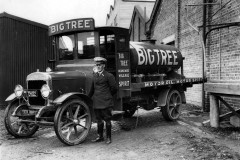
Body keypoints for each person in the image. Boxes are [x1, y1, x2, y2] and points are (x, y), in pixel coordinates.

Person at [91, 57, 117, 144]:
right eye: (97, 65)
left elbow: (114, 88)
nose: (98, 66)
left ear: (104, 66)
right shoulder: (94, 75)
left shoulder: (109, 76)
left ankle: (109, 138)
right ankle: (100, 137)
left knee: (107, 120)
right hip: (97, 101)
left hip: (106, 102)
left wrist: (108, 96)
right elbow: (92, 89)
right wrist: (88, 98)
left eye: (100, 65)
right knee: (99, 120)